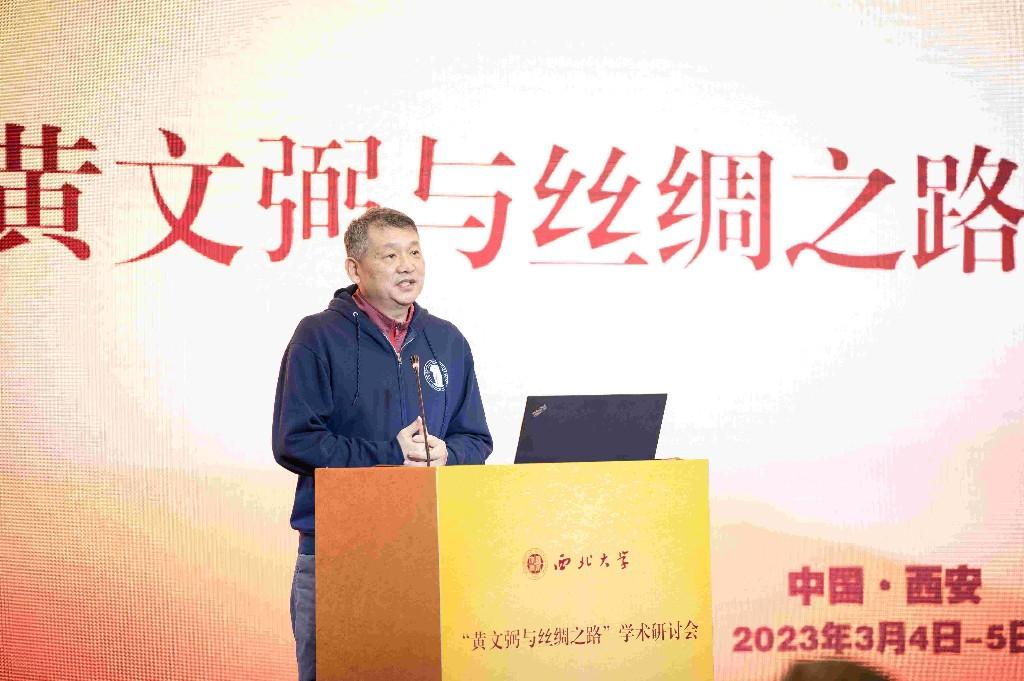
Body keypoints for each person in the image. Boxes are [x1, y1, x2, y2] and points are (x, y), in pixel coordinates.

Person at [272, 206, 492, 681]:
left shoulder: (447, 340)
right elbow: (295, 442)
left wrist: (449, 453)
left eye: (414, 253)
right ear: (355, 268)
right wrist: (390, 454)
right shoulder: (317, 336)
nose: (407, 266)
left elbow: (476, 439)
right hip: (337, 551)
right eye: (390, 255)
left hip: (429, 549)